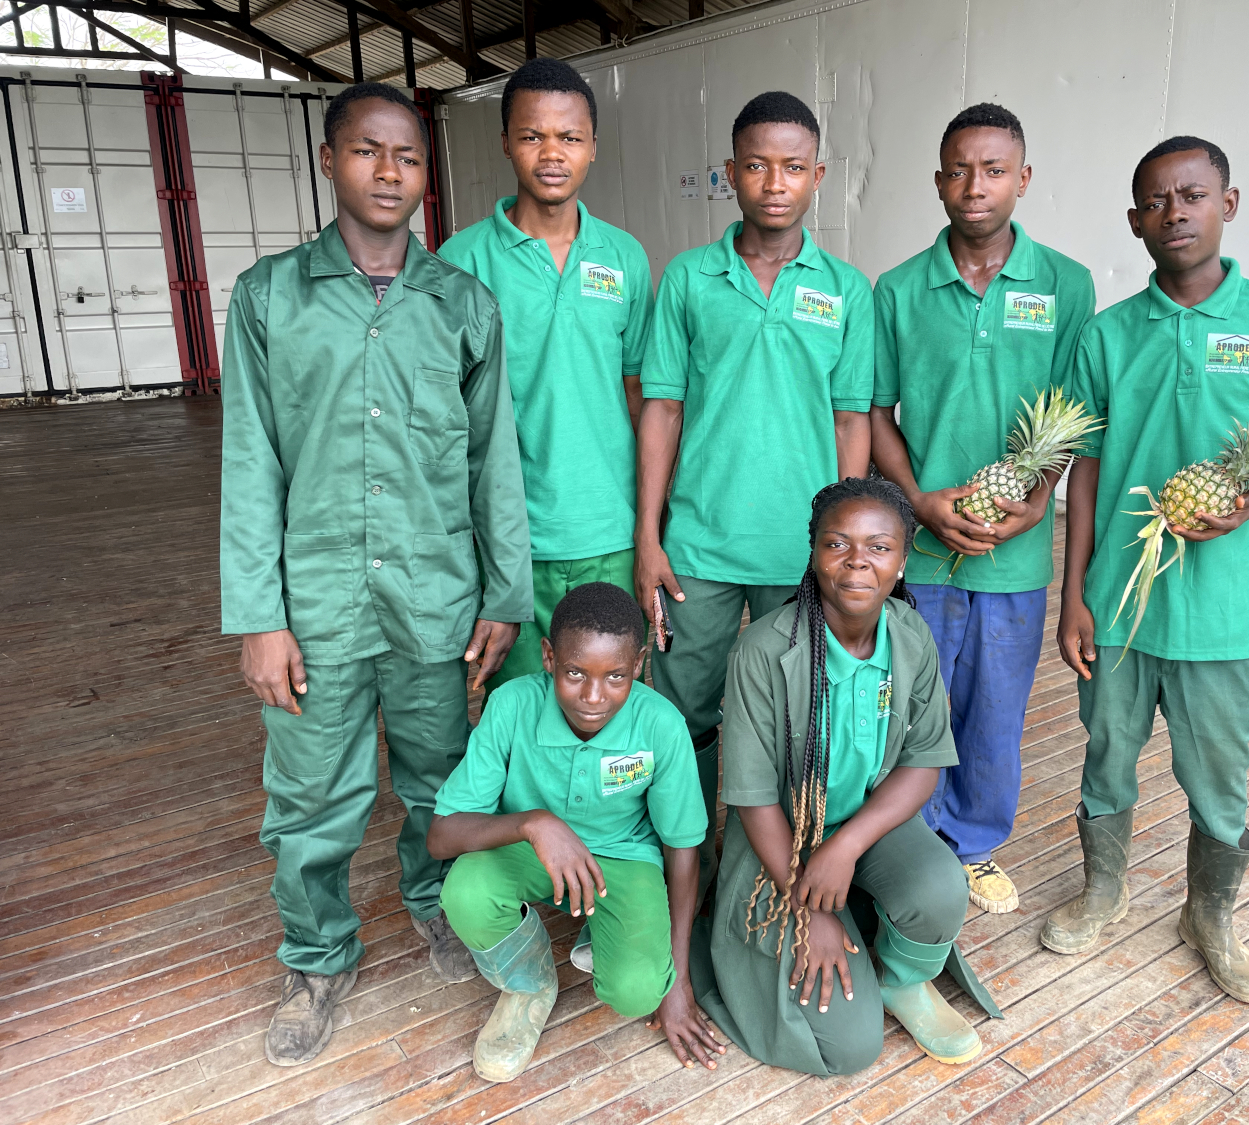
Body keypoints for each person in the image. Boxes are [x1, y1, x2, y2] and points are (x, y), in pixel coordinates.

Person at [219, 82, 532, 1066]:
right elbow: (248, 462)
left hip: (436, 595)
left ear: (426, 172)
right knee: (312, 796)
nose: (388, 171)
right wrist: (257, 616)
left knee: (441, 778)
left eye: (406, 156)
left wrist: (505, 592)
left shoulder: (462, 305)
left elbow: (496, 463)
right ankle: (317, 958)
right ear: (329, 161)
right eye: (366, 151)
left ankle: (438, 906)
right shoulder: (271, 297)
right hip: (313, 604)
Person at [1048, 137, 1249, 1004]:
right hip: (1121, 605)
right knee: (1107, 754)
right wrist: (1075, 593)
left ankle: (1209, 913)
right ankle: (1103, 889)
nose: (1176, 211)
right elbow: (1087, 467)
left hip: (1227, 609)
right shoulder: (1108, 333)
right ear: (1136, 221)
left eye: (1193, 194)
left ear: (1228, 204)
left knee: (1219, 771)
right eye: (1157, 200)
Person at [636, 91, 874, 895]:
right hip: (699, 547)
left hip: (801, 555)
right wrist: (649, 536)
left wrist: (846, 550)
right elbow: (662, 409)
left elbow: (851, 425)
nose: (776, 182)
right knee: (682, 718)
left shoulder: (846, 289)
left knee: (793, 719)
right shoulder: (689, 280)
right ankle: (683, 872)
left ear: (820, 176)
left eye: (795, 167)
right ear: (730, 173)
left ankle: (770, 877)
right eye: (758, 166)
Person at [690, 478, 1002, 1075]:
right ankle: (744, 947)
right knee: (847, 1048)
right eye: (838, 543)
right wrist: (810, 910)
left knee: (940, 887)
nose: (858, 560)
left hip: (865, 825)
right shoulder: (764, 650)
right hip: (779, 842)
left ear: (903, 558)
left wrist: (848, 846)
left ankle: (903, 981)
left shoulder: (909, 636)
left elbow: (925, 761)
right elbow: (754, 802)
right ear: (813, 552)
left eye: (879, 547)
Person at [870, 103, 1095, 915]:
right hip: (922, 547)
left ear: (1024, 178)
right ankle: (908, 845)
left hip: (1015, 554)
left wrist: (1040, 498)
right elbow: (874, 416)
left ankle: (970, 846)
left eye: (994, 169)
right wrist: (921, 503)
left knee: (995, 710)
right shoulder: (896, 290)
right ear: (938, 180)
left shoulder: (1067, 285)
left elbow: (1073, 414)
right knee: (914, 704)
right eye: (959, 170)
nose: (976, 186)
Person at [428, 582, 723, 1082]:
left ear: (640, 664)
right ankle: (529, 985)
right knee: (467, 891)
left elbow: (682, 850)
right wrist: (533, 822)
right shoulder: (512, 706)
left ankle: (600, 929)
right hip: (532, 849)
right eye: (573, 672)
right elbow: (441, 836)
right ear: (547, 657)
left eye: (615, 677)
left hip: (623, 860)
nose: (592, 696)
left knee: (637, 991)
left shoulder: (660, 724)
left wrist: (677, 982)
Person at [440, 58, 653, 691]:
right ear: (506, 142)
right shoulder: (461, 260)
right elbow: (444, 411)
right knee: (522, 711)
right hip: (506, 540)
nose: (551, 153)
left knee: (609, 707)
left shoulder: (625, 257)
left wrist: (650, 521)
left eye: (570, 137)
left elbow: (639, 392)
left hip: (610, 533)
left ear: (592, 147)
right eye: (533, 136)